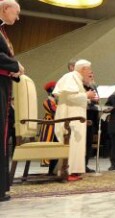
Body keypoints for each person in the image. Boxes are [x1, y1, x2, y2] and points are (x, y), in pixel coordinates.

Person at [53, 59, 96, 181]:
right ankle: (68, 172)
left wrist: (87, 98)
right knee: (72, 143)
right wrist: (86, 96)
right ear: (83, 69)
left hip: (75, 117)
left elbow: (75, 98)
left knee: (77, 143)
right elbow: (70, 96)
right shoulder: (70, 77)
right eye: (89, 70)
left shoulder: (76, 78)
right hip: (70, 118)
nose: (90, 73)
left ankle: (73, 171)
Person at [0, 0, 22, 202]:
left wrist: (15, 71)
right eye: (16, 13)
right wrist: (15, 65)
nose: (18, 17)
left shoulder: (2, 31)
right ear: (6, 8)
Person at [38, 81, 59, 175]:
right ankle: (51, 170)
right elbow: (55, 111)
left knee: (56, 147)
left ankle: (54, 169)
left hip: (55, 125)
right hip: (50, 126)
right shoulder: (47, 102)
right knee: (52, 147)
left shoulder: (55, 101)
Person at [84, 72, 98, 173]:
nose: (92, 78)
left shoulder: (93, 88)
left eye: (93, 76)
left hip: (92, 117)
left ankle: (85, 164)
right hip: (84, 115)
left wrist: (95, 99)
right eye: (90, 76)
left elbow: (96, 100)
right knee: (83, 142)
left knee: (89, 142)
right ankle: (79, 165)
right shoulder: (81, 87)